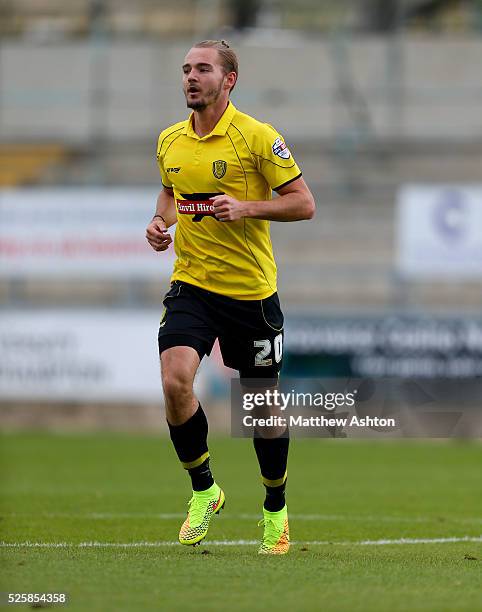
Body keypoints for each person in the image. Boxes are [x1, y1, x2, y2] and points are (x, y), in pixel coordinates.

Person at [146, 40, 315, 555]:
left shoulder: (257, 137)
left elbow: (303, 204)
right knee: (176, 381)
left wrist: (245, 208)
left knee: (261, 408)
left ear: (229, 79)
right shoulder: (170, 140)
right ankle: (205, 491)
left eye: (202, 69)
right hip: (192, 285)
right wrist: (159, 222)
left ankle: (275, 508)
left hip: (250, 294)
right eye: (185, 69)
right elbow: (171, 192)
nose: (191, 78)